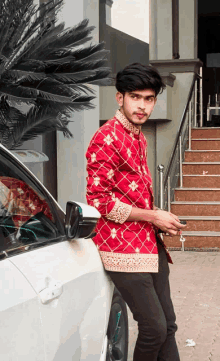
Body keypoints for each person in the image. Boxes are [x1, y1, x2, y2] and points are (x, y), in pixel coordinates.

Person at [85, 63, 186, 361]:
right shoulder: (106, 138)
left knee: (168, 325)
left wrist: (159, 216)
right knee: (154, 328)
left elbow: (131, 195)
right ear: (120, 98)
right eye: (135, 97)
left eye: (149, 98)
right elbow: (100, 202)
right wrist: (153, 216)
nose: (142, 106)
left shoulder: (138, 137)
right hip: (121, 248)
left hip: (148, 242)